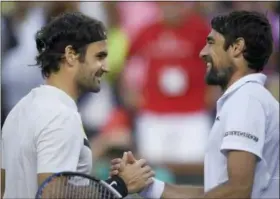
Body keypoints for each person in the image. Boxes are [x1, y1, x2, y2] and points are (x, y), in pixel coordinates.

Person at [110, 10, 279, 199]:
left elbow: (238, 192)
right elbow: (220, 192)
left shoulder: (246, 102)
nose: (202, 52)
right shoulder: (248, 98)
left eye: (211, 43)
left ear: (237, 47)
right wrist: (150, 187)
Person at [1, 12, 154, 199]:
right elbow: (51, 193)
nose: (105, 67)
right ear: (71, 55)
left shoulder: (19, 110)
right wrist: (119, 184)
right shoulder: (61, 116)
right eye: (99, 56)